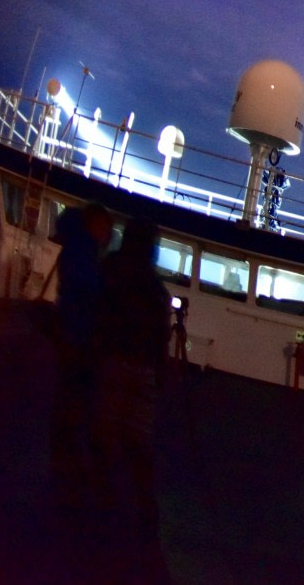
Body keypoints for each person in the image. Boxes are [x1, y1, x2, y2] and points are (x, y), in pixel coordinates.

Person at [90, 217, 173, 539]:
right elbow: (160, 334)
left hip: (111, 363)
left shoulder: (112, 268)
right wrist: (160, 371)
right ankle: (143, 509)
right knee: (138, 441)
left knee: (104, 435)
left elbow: (98, 312)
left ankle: (104, 504)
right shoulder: (154, 287)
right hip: (143, 370)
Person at [48, 203, 112, 508]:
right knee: (75, 399)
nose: (107, 237)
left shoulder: (74, 246)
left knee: (67, 398)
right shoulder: (84, 250)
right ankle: (68, 467)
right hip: (80, 336)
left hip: (70, 334)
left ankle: (63, 459)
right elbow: (87, 289)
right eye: (106, 230)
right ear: (95, 225)